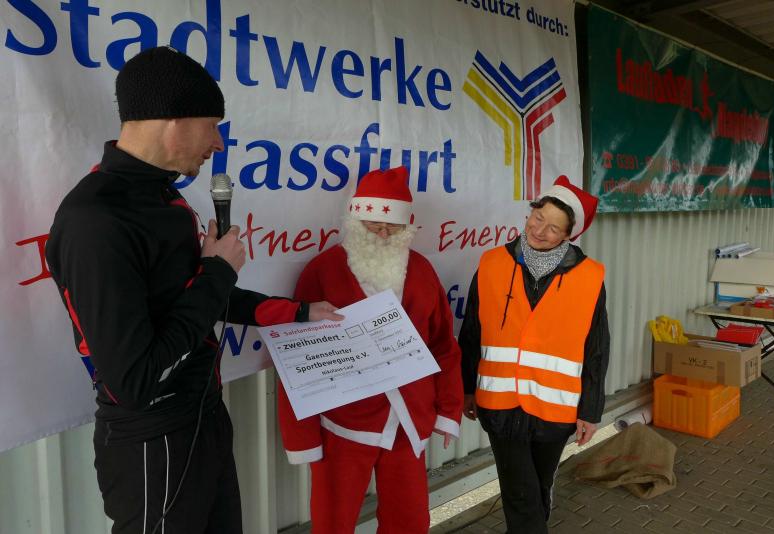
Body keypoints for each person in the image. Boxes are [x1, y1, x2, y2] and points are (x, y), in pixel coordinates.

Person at [45, 46, 340, 534]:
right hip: (153, 438)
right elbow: (135, 381)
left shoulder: (163, 197)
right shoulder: (95, 219)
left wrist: (301, 313)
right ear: (174, 121)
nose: (218, 143)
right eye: (212, 126)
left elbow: (197, 298)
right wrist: (218, 272)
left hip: (204, 416)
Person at [277, 166, 463, 533]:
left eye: (392, 225)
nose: (382, 232)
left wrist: (448, 408)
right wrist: (302, 436)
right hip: (342, 421)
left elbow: (443, 344)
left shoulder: (422, 271)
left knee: (409, 521)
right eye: (373, 223)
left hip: (408, 417)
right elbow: (297, 359)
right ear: (355, 219)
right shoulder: (322, 271)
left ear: (406, 225)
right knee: (333, 522)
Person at [459, 175, 610, 533]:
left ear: (568, 235)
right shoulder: (491, 263)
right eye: (537, 218)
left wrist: (590, 410)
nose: (540, 231)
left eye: (553, 228)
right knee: (520, 494)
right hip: (500, 402)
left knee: (538, 487)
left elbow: (596, 348)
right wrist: (466, 388)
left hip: (555, 408)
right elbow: (471, 332)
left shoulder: (589, 277)